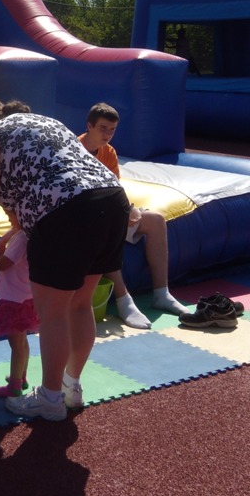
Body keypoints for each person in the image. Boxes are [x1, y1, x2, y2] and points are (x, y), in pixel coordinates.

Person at [0, 98, 130, 422]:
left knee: (53, 313)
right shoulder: (45, 123)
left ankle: (51, 399)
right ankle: (71, 387)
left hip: (66, 212)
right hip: (111, 201)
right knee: (80, 305)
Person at [79, 102, 189, 329]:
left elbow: (113, 188)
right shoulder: (74, 150)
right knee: (104, 229)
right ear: (89, 126)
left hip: (108, 210)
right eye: (103, 129)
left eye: (112, 130)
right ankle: (123, 299)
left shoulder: (108, 152)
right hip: (87, 216)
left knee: (155, 220)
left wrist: (127, 210)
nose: (107, 134)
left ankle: (161, 293)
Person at [0, 208, 39, 398]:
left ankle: (14, 386)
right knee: (22, 342)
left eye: (10, 213)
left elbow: (2, 264)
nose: (7, 216)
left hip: (14, 299)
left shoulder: (21, 239)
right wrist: (6, 238)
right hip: (27, 295)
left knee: (16, 345)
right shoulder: (30, 233)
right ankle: (21, 377)